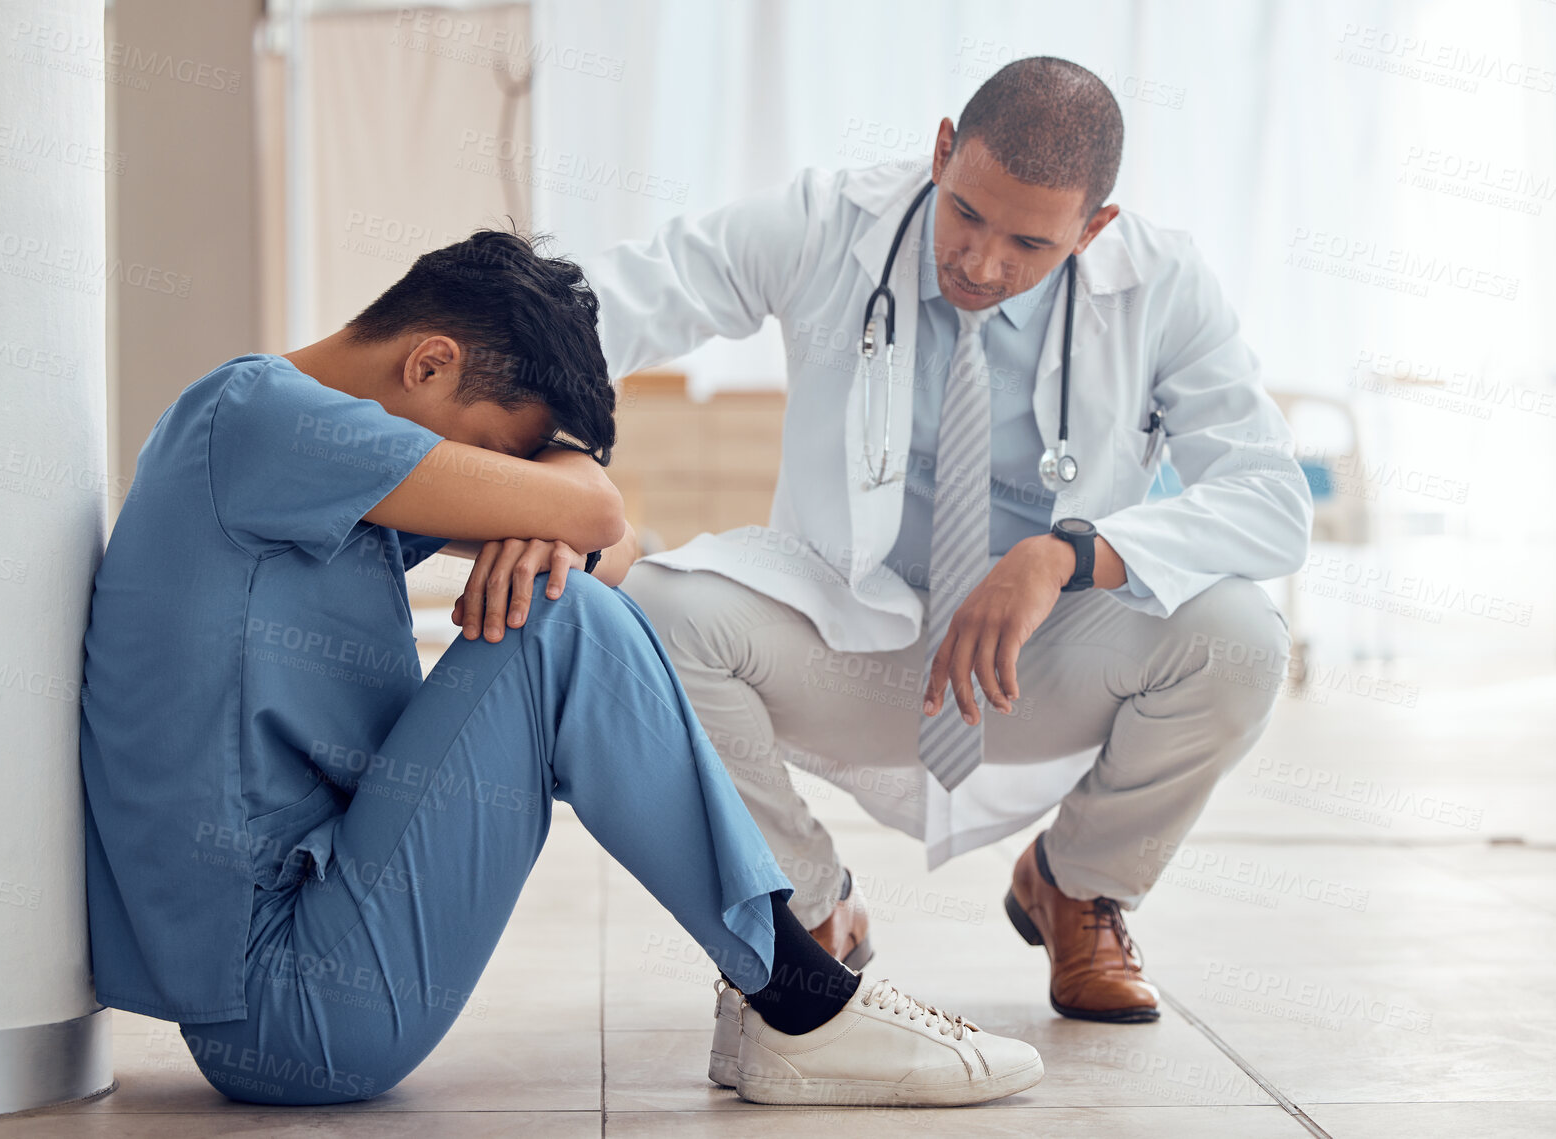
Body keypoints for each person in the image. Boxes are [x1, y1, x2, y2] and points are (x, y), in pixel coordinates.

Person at [77, 231, 1043, 1108]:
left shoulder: (301, 455)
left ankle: (789, 987)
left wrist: (546, 514)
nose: (497, 484)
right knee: (563, 616)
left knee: (572, 600)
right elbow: (596, 524)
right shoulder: (263, 418)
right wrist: (556, 519)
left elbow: (605, 537)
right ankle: (800, 1000)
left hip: (308, 967)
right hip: (291, 1001)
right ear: (429, 362)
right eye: (496, 456)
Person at [591, 57, 1312, 1028]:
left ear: (1093, 228)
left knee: (1241, 641)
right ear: (940, 151)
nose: (980, 261)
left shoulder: (1163, 284)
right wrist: (528, 449)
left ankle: (1079, 884)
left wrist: (1063, 553)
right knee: (654, 614)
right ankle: (808, 908)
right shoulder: (830, 222)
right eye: (965, 213)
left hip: (1033, 659)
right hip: (844, 636)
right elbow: (613, 308)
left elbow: (1268, 496)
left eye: (1027, 241)